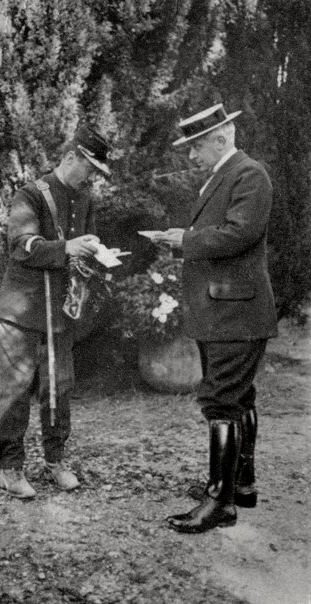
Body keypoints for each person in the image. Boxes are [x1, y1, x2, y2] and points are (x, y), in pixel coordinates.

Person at [153, 103, 278, 533]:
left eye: (196, 146)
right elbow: (223, 235)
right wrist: (178, 242)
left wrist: (185, 240)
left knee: (221, 400)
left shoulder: (249, 174)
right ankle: (240, 484)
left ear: (221, 138)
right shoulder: (230, 174)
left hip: (234, 312)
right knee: (239, 397)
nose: (191, 157)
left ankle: (219, 502)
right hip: (226, 309)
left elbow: (239, 234)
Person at [0, 126, 112, 498]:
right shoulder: (31, 194)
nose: (91, 176)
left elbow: (85, 245)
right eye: (88, 167)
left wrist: (95, 254)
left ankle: (55, 459)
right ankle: (10, 468)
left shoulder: (85, 197)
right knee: (15, 391)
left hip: (60, 309)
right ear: (70, 157)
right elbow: (22, 245)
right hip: (22, 312)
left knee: (59, 387)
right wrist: (67, 248)